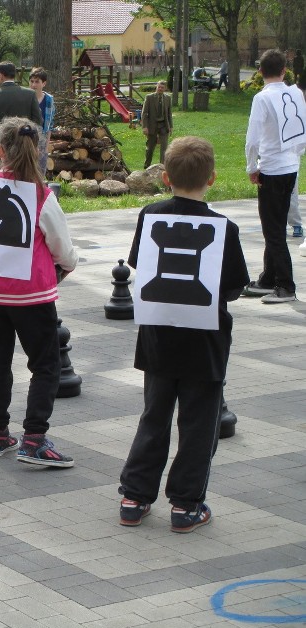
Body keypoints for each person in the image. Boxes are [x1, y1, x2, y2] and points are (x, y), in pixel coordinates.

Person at [119, 135, 249, 533]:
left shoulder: (151, 215)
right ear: (212, 179)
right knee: (198, 424)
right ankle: (186, 504)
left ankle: (135, 496)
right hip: (205, 341)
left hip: (159, 333)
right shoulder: (224, 228)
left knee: (153, 417)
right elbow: (233, 286)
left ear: (164, 178)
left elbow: (141, 262)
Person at [0, 117, 77, 465]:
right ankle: (34, 437)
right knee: (46, 365)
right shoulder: (42, 196)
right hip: (32, 297)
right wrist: (66, 267)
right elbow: (63, 249)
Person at [243, 49, 306, 304]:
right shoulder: (295, 93)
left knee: (274, 231)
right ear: (284, 71)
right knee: (276, 226)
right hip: (291, 165)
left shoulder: (262, 98)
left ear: (260, 71)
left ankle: (286, 285)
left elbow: (252, 138)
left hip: (271, 168)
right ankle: (268, 278)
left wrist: (251, 167)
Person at [0, 61, 43, 173]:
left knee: (0, 185)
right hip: (25, 150)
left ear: (1, 75)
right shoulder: (30, 95)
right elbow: (37, 122)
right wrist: (34, 146)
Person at [29, 67, 55, 176]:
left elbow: (50, 124)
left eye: (37, 82)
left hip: (42, 139)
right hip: (28, 138)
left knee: (40, 172)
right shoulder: (26, 98)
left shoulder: (49, 100)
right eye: (32, 81)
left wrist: (46, 145)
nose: (34, 85)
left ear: (43, 83)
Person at [141, 80, 173, 169]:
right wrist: (144, 127)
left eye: (162, 87)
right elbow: (144, 113)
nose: (160, 89)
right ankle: (147, 166)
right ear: (156, 87)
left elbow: (169, 114)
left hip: (163, 126)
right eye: (159, 87)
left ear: (165, 88)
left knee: (164, 148)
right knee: (150, 148)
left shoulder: (167, 98)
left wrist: (170, 126)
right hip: (152, 126)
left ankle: (162, 168)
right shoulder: (149, 97)